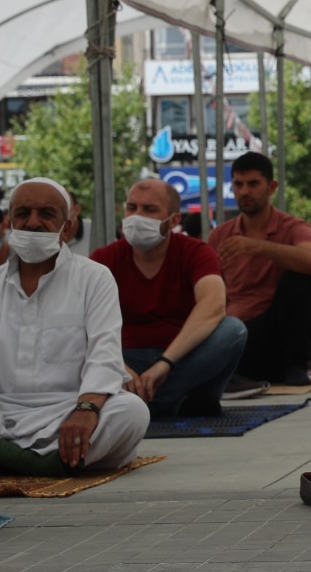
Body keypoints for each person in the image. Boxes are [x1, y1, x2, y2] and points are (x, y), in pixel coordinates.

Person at [0, 179, 149, 475]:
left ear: (66, 228)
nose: (33, 223)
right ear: (8, 223)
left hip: (69, 409)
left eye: (46, 214)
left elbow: (104, 355)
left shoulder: (94, 278)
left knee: (131, 412)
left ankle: (2, 459)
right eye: (23, 213)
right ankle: (46, 464)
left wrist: (87, 409)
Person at [90, 179, 245, 418]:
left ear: (173, 220)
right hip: (124, 359)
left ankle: (138, 406)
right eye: (132, 208)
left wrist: (165, 363)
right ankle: (172, 403)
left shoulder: (197, 253)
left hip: (181, 359)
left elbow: (214, 305)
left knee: (233, 330)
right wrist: (119, 368)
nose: (137, 216)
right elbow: (83, 321)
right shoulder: (104, 258)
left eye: (149, 210)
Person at [206, 152, 311, 388]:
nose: (244, 191)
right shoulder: (220, 235)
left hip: (277, 331)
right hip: (237, 331)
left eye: (253, 184)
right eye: (238, 184)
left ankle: (295, 366)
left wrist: (258, 246)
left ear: (271, 187)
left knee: (298, 279)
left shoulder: (293, 227)